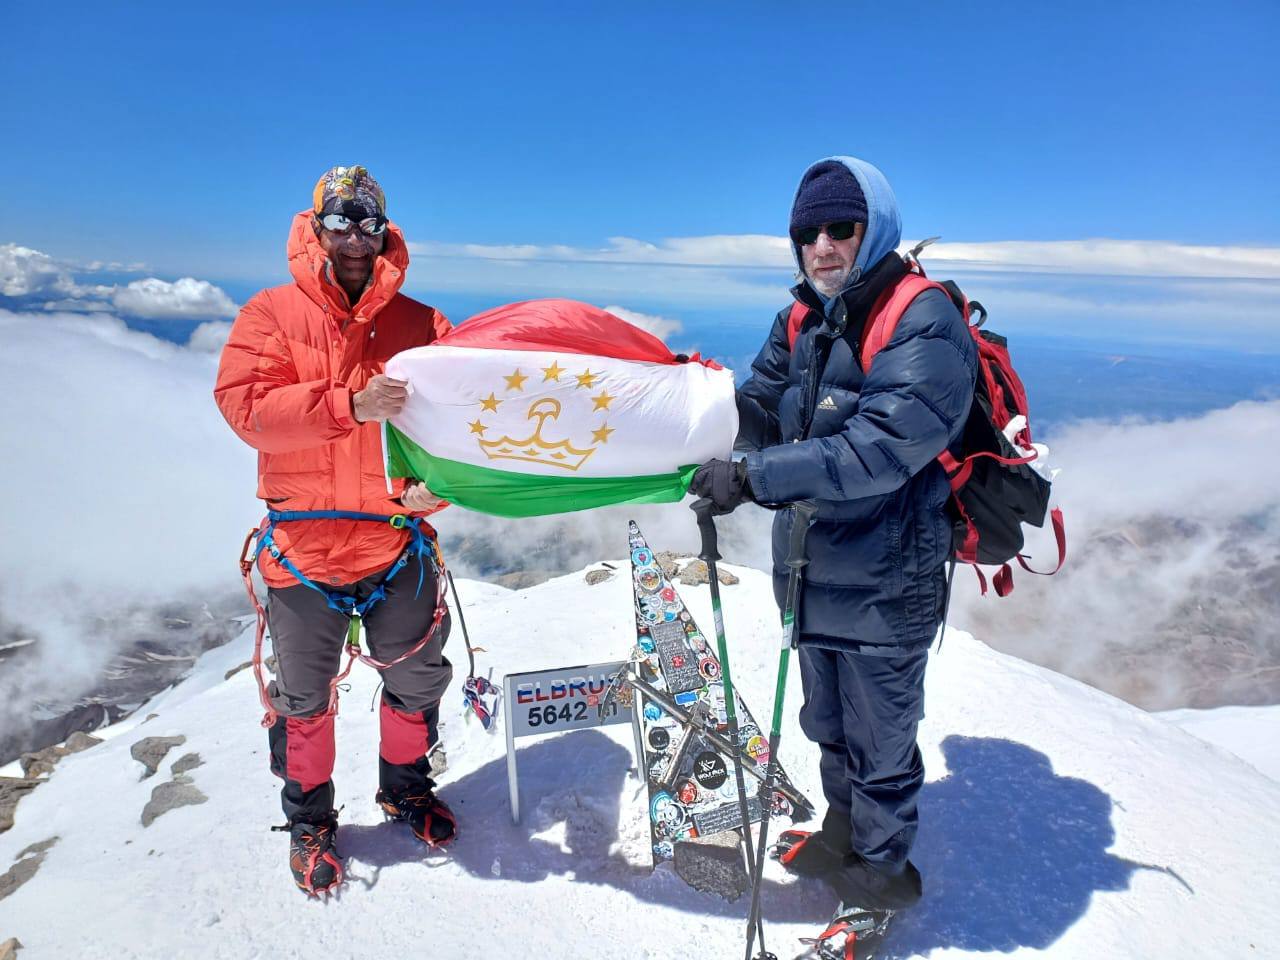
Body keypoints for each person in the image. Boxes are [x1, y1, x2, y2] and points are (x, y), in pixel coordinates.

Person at [690, 156, 977, 921]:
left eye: (839, 228)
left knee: (881, 744)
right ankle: (843, 834)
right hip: (812, 567)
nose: (821, 245)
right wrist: (693, 414)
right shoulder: (803, 319)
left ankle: (880, 880)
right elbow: (756, 404)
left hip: (889, 579)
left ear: (872, 228)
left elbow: (878, 452)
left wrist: (751, 481)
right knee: (829, 724)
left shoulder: (924, 320)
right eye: (806, 232)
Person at [214, 165, 456, 896]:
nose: (355, 239)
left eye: (369, 225)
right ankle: (309, 819)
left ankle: (404, 789)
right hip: (304, 549)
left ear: (385, 234)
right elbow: (246, 408)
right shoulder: (270, 314)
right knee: (304, 698)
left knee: (415, 678)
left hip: (392, 539)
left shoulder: (423, 324)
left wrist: (433, 494)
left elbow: (454, 433)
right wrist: (349, 406)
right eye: (342, 223)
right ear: (316, 227)